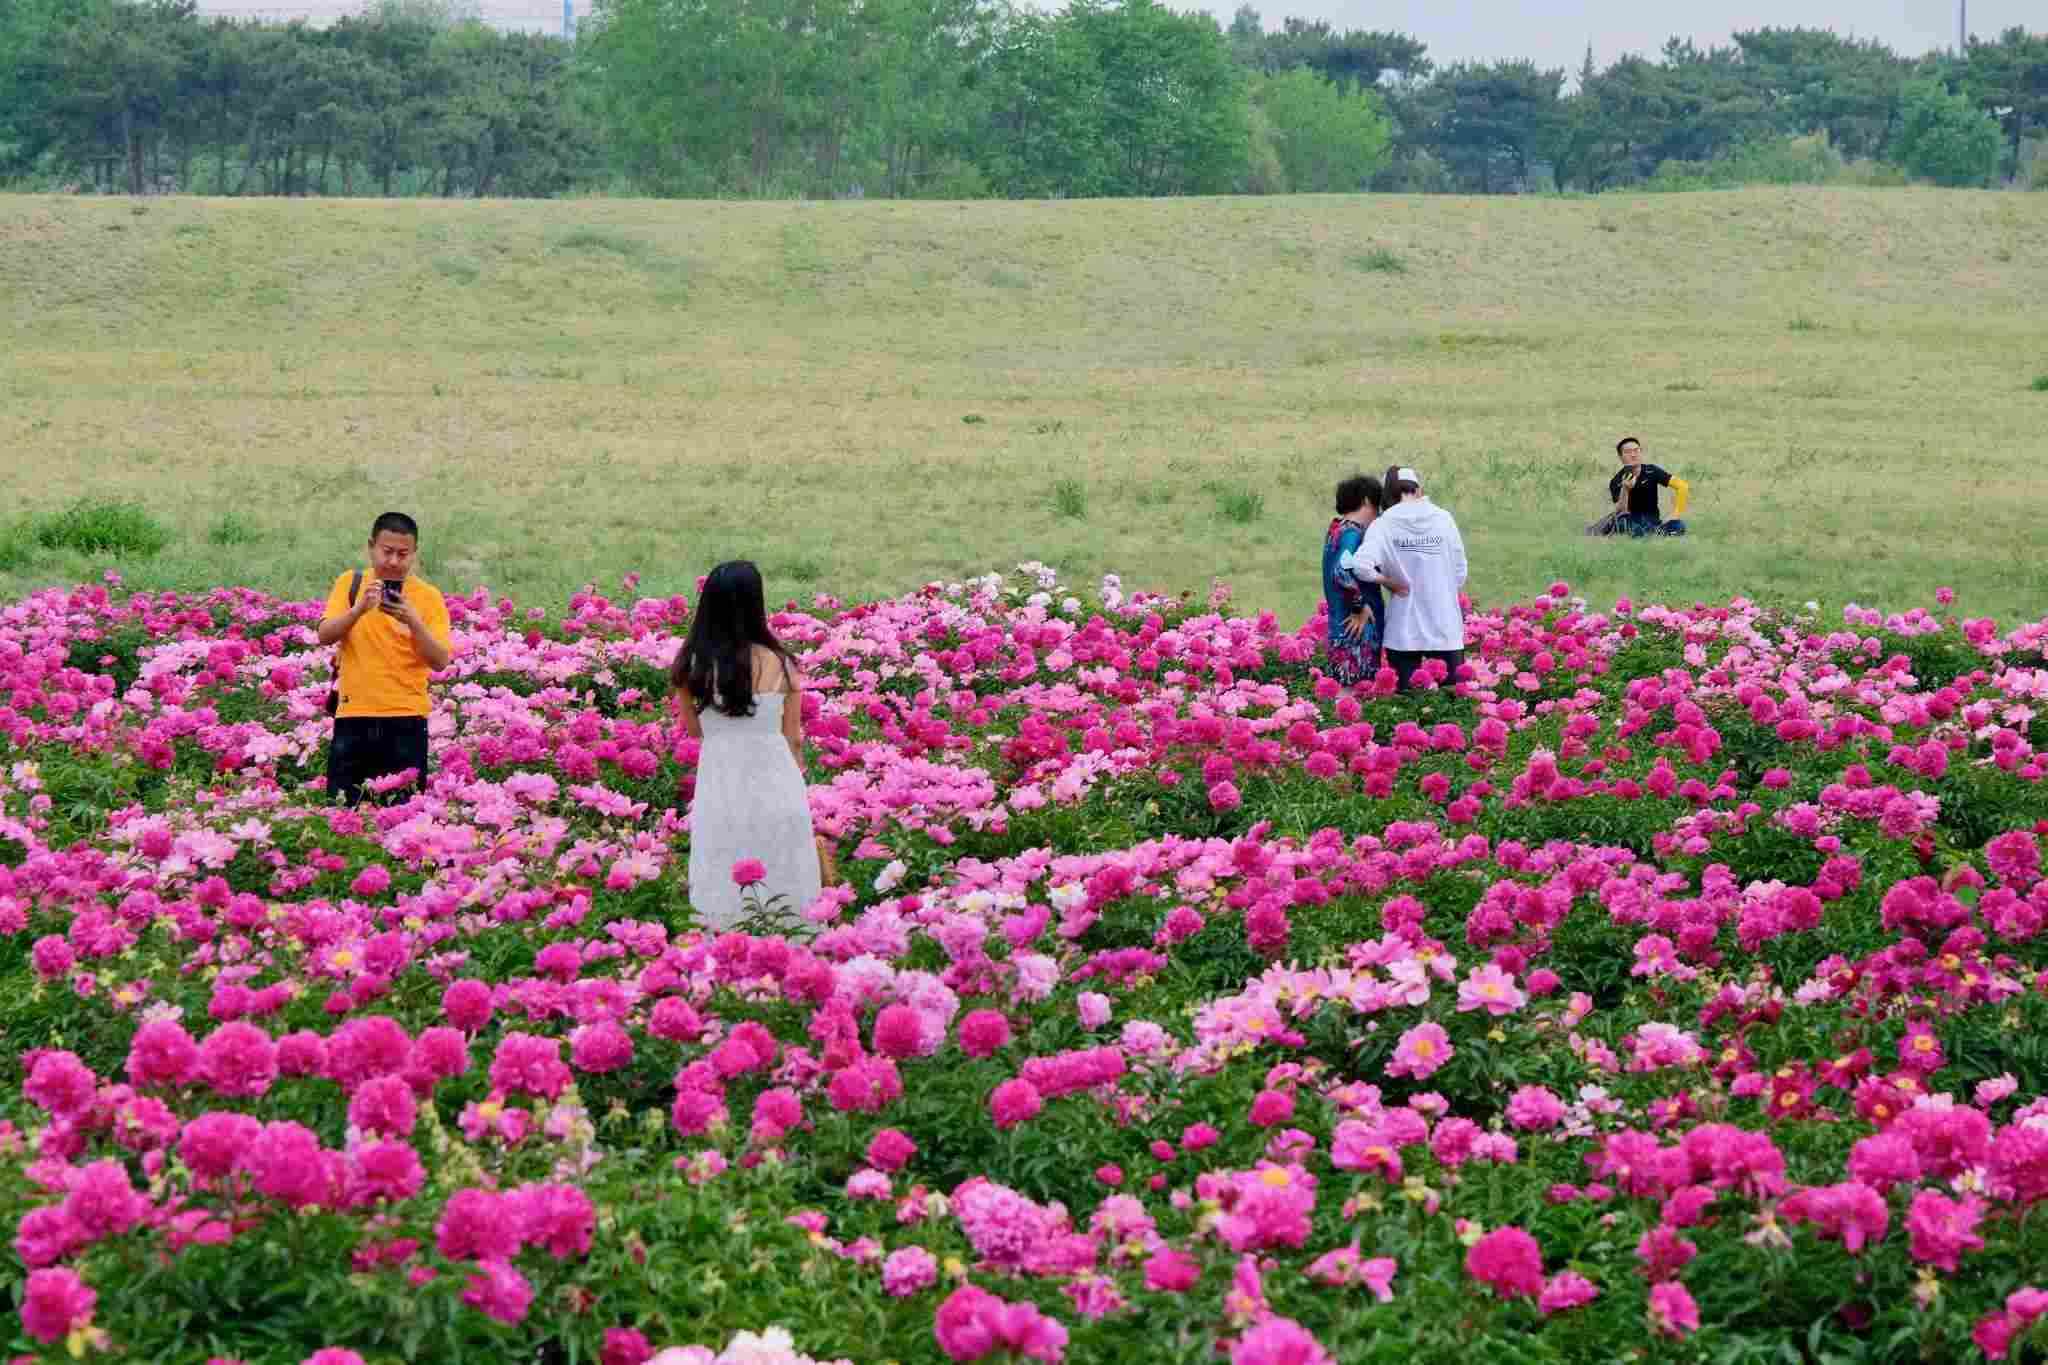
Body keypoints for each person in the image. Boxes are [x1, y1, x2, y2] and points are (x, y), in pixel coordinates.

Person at [670, 561, 820, 932]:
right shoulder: (781, 663)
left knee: (724, 867)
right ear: (756, 604)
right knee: (783, 868)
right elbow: (793, 737)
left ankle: (726, 947)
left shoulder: (691, 665)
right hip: (776, 780)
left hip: (721, 784)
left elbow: (694, 730)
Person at [317, 511, 453, 805]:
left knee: (403, 815)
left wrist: (413, 621)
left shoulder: (428, 597)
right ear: (371, 547)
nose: (393, 561)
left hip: (407, 720)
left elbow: (440, 661)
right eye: (386, 551)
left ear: (414, 553)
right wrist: (358, 610)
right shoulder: (351, 583)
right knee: (344, 811)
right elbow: (324, 635)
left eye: (403, 554)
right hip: (354, 716)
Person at [1355, 465, 1468, 691]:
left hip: (1404, 627)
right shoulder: (1443, 518)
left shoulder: (1384, 524)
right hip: (1444, 623)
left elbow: (1361, 566)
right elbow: (1460, 571)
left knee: (1407, 701)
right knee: (1453, 699)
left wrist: (1389, 582)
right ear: (1418, 490)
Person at [1321, 474, 1406, 686]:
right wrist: (1360, 607)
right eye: (1378, 504)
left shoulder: (1337, 529)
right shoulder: (1354, 534)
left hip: (1340, 626)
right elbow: (1341, 572)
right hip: (1357, 631)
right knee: (1357, 692)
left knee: (1342, 691)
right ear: (1367, 501)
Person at [1598, 436, 1689, 536]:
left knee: (1679, 525)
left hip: (1653, 522)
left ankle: (1654, 532)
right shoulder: (1616, 481)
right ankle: (1652, 534)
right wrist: (1625, 489)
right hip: (1630, 521)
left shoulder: (1652, 471)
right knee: (1623, 523)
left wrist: (1675, 514)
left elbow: (1682, 486)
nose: (1633, 455)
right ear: (1621, 457)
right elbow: (1621, 511)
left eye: (1636, 450)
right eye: (1628, 452)